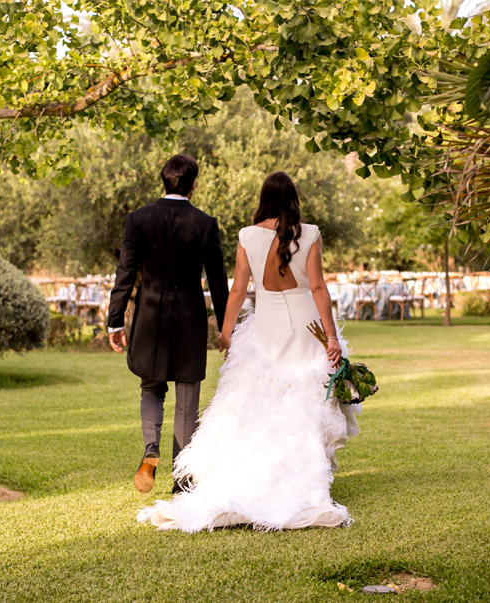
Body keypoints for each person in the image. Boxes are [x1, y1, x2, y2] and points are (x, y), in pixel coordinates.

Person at [137, 171, 361, 532]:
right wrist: (332, 338)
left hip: (267, 324)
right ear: (293, 199)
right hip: (307, 323)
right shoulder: (311, 233)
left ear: (264, 198)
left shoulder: (247, 236)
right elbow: (318, 288)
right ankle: (300, 473)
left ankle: (257, 471)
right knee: (304, 399)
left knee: (261, 398)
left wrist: (226, 334)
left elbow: (238, 291)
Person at [107, 154, 229, 495]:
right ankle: (183, 480)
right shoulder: (205, 223)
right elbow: (218, 280)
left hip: (148, 316)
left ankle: (150, 449)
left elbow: (125, 274)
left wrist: (115, 320)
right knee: (187, 398)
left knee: (151, 386)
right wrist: (226, 327)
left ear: (165, 181)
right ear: (193, 185)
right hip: (190, 317)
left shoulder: (139, 219)